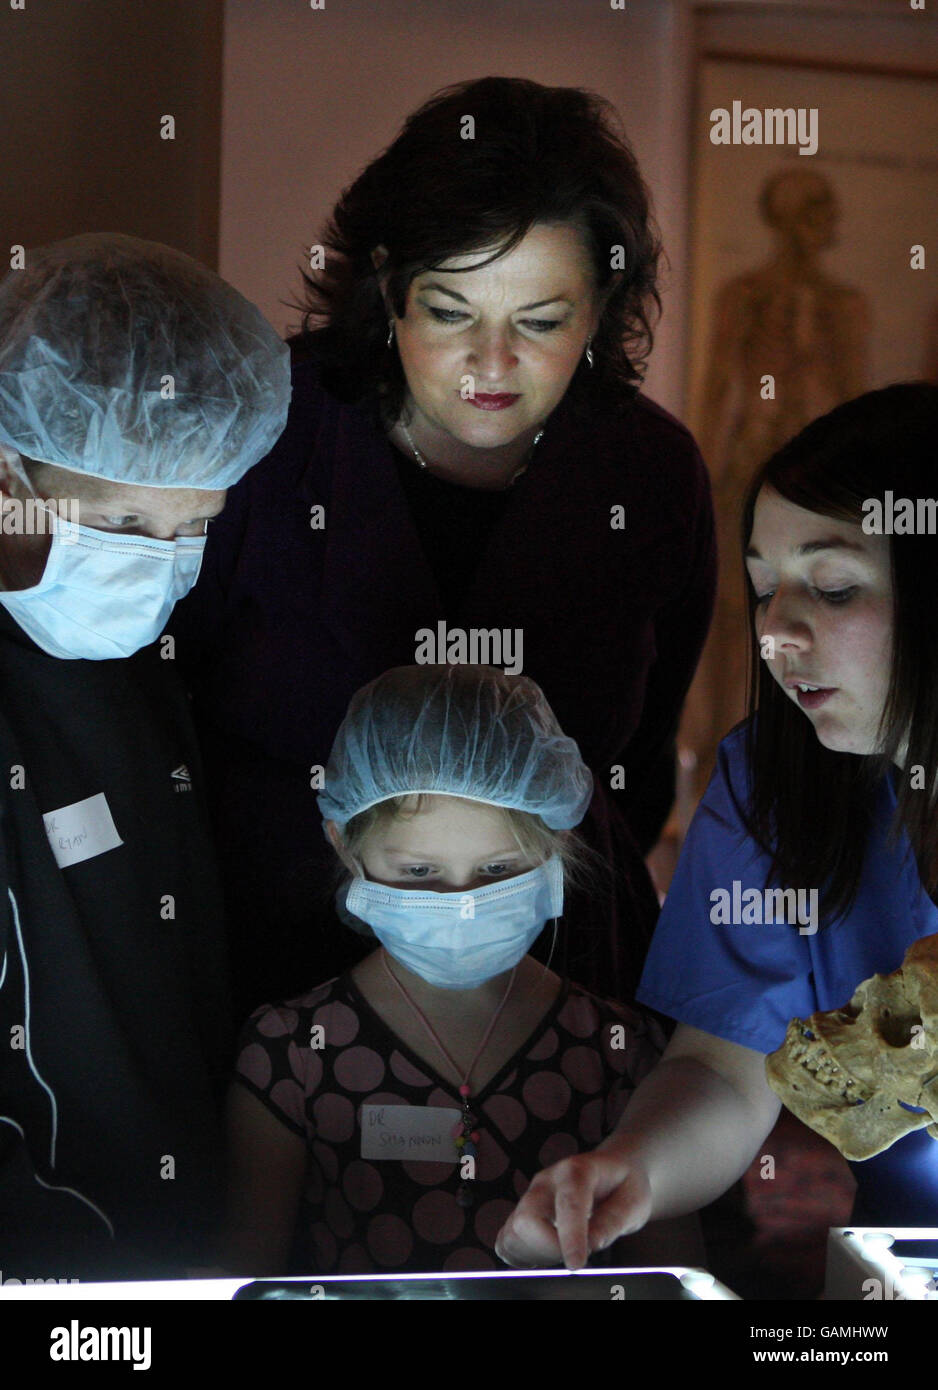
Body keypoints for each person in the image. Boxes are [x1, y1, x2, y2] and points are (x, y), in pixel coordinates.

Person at [169, 75, 717, 1021]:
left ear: (602, 308)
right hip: (262, 961)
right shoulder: (265, 434)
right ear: (388, 287)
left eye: (541, 322)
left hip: (555, 989)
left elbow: (639, 758)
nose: (492, 365)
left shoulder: (649, 475)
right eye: (452, 312)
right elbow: (157, 711)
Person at [494, 384, 938, 1268]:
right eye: (765, 588)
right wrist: (633, 1170)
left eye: (835, 585)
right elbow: (726, 1068)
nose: (778, 633)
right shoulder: (771, 788)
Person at [0, 233, 291, 1279]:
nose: (154, 565)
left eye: (188, 528)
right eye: (121, 519)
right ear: (5, 468)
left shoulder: (135, 675)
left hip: (169, 1237)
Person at [218, 664, 703, 1274]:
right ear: (343, 843)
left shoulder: (619, 1055)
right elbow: (243, 1276)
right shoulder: (290, 1056)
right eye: (419, 873)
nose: (461, 903)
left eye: (498, 871)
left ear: (556, 842)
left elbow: (673, 1280)